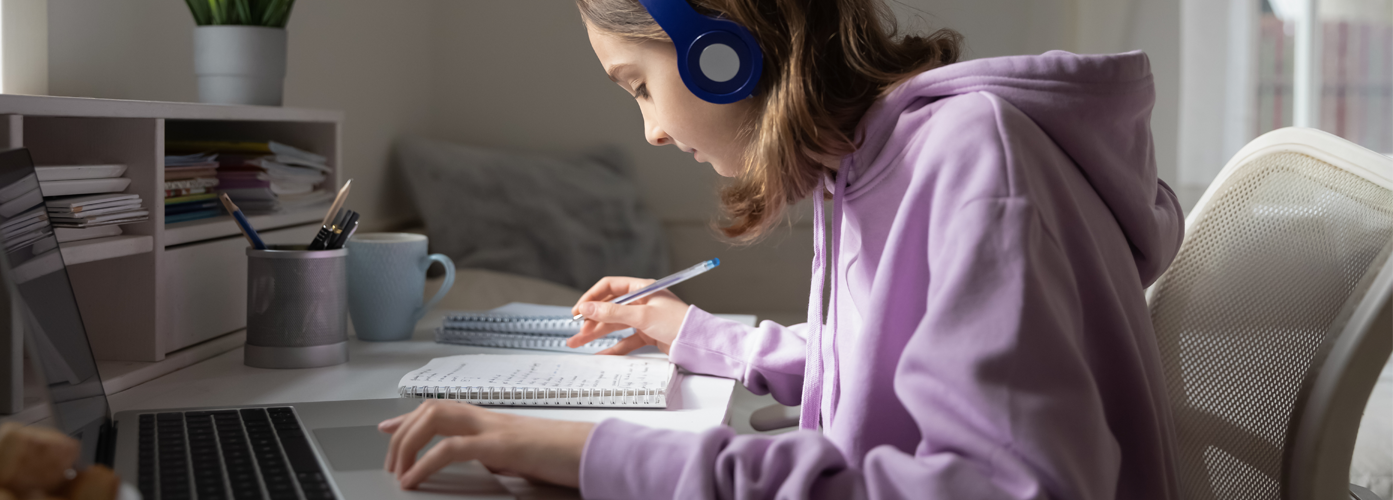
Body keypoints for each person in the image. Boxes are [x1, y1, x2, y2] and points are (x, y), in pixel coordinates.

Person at [379, 0, 1186, 497]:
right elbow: (882, 359)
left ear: (720, 50)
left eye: (640, 86)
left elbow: (1011, 486)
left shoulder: (972, 159)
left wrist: (608, 457)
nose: (651, 129)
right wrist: (693, 333)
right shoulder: (868, 163)